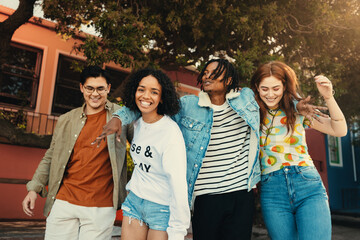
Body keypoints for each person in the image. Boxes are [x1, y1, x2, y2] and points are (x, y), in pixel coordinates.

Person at [93, 59, 319, 240]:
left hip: (241, 194)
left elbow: (274, 98)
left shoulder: (247, 98)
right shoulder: (189, 105)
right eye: (205, 73)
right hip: (205, 197)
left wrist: (297, 105)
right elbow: (150, 105)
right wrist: (118, 118)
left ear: (228, 78)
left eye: (215, 73)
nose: (207, 76)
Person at [22, 66, 133, 240]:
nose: (95, 94)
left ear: (108, 88)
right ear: (82, 88)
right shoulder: (67, 119)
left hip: (101, 206)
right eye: (89, 88)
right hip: (64, 201)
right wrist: (33, 188)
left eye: (100, 88)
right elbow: (51, 156)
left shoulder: (122, 116)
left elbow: (141, 147)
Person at [250, 61, 347, 240]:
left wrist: (328, 97)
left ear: (285, 86)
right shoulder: (252, 113)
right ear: (257, 87)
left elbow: (339, 130)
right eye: (264, 89)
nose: (270, 94)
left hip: (307, 184)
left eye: (276, 88)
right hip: (272, 192)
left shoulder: (299, 111)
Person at [116, 68, 190, 240]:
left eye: (154, 92)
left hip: (161, 208)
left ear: (162, 98)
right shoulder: (135, 123)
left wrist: (178, 230)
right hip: (134, 202)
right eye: (141, 89)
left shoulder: (170, 132)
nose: (146, 96)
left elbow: (178, 183)